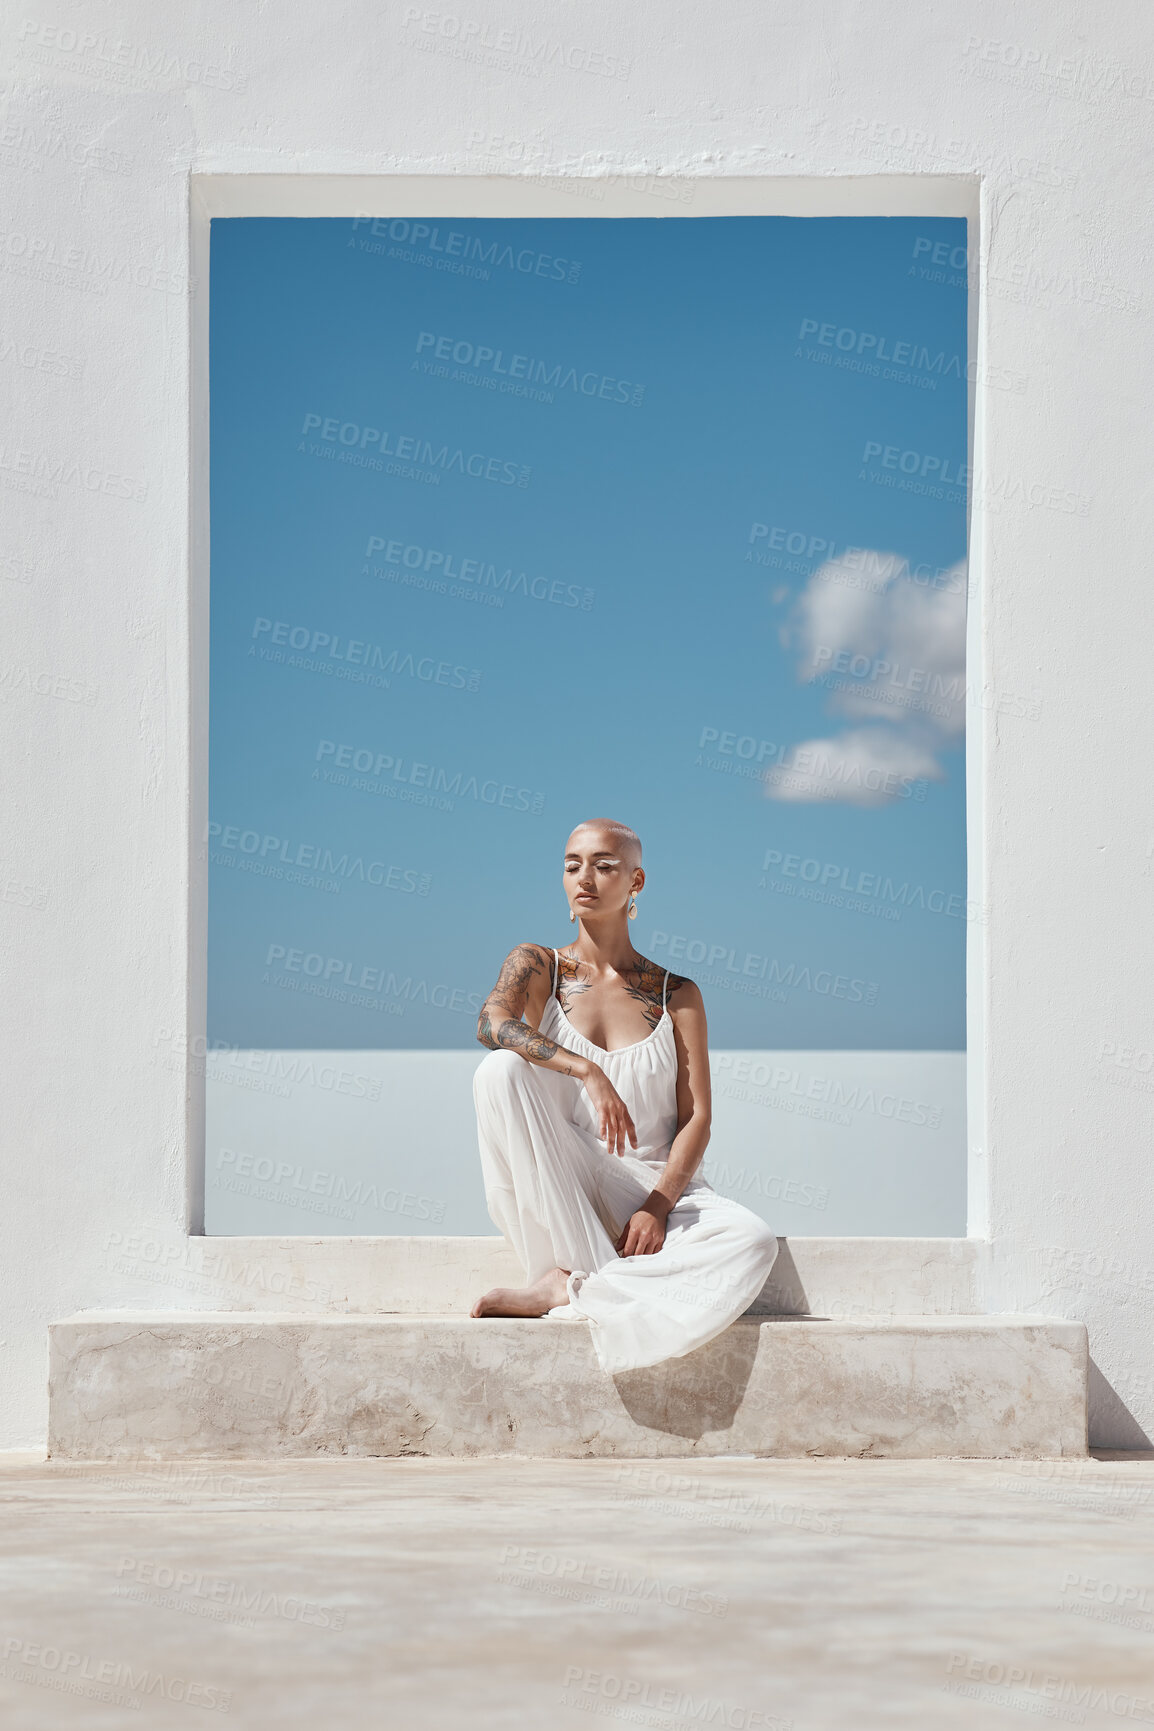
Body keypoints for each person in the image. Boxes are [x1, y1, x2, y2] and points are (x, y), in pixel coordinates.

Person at [470, 817, 778, 1374]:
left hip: (656, 1190)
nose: (584, 877)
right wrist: (586, 1070)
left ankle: (576, 1284)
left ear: (636, 883)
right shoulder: (538, 964)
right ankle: (573, 1275)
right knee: (498, 1073)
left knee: (753, 1241)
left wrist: (658, 1206)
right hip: (570, 1174)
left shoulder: (678, 994)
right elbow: (491, 1024)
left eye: (604, 865)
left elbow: (697, 1119)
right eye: (572, 865)